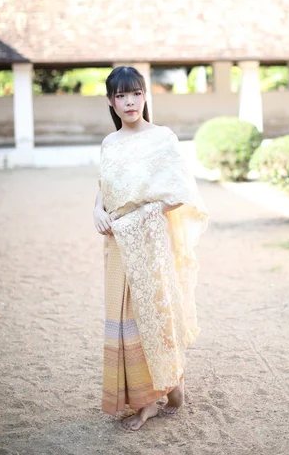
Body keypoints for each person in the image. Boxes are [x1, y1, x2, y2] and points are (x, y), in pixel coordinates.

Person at [93, 66, 208, 432]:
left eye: (135, 93)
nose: (129, 102)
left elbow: (179, 193)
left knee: (155, 315)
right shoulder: (110, 144)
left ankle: (173, 388)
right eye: (121, 96)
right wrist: (97, 209)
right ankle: (146, 400)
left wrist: (140, 217)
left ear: (145, 96)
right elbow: (105, 187)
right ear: (111, 102)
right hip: (117, 245)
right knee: (126, 319)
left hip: (150, 242)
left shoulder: (162, 138)